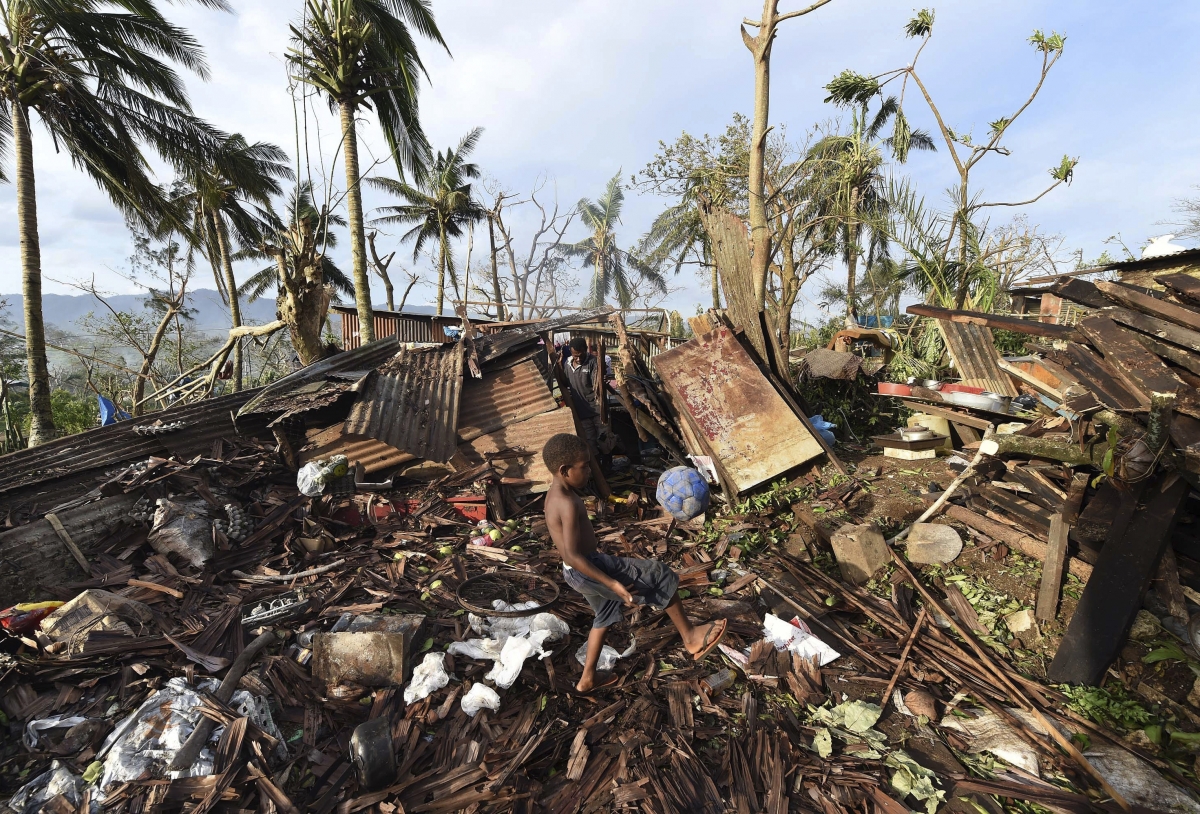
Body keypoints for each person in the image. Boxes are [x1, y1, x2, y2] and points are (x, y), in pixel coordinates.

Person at [542, 433, 728, 693]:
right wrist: (613, 583)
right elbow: (574, 554)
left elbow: (569, 557)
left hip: (574, 573)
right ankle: (691, 638)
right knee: (660, 575)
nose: (588, 472)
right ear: (564, 470)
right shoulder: (568, 503)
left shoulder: (552, 497)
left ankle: (587, 680)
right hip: (588, 568)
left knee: (604, 615)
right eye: (584, 467)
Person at [563, 337, 603, 456]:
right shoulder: (567, 364)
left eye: (581, 355)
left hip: (597, 411)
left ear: (586, 350)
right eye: (575, 356)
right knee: (589, 443)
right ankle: (596, 468)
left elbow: (597, 385)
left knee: (604, 440)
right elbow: (565, 382)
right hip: (581, 412)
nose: (578, 358)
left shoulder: (593, 362)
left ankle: (607, 466)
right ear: (571, 352)